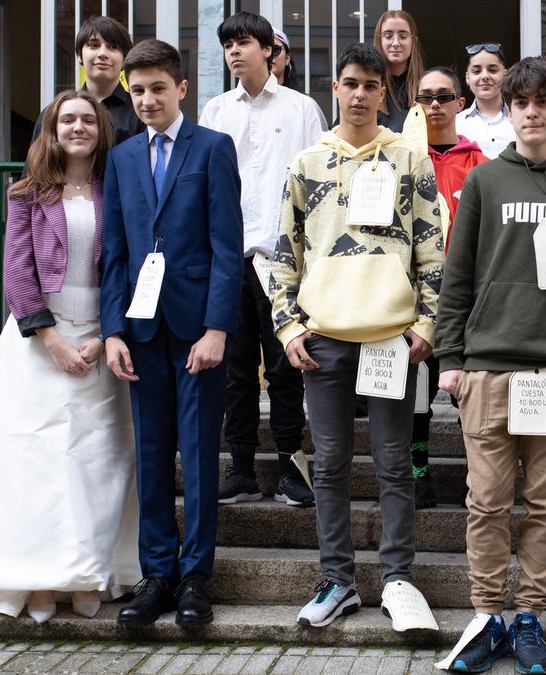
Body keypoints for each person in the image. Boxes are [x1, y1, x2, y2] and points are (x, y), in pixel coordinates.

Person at [434, 57, 546, 675]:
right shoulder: (485, 181)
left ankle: (530, 614)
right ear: (506, 111)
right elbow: (457, 277)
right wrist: (452, 359)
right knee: (485, 502)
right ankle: (487, 616)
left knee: (545, 503)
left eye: (543, 102)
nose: (531, 112)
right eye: (520, 103)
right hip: (487, 370)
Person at [0, 90, 140, 623]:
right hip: (39, 344)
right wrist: (50, 340)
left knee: (98, 462)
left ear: (101, 129)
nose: (78, 127)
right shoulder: (27, 193)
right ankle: (37, 580)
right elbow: (17, 272)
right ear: (51, 130)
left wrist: (106, 333)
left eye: (87, 119)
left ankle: (87, 572)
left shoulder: (114, 190)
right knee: (36, 462)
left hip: (101, 340)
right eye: (67, 119)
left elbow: (125, 266)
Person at [272, 42, 443, 630]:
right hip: (324, 338)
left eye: (372, 84)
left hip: (393, 336)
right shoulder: (305, 163)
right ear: (335, 89)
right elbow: (283, 255)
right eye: (351, 83)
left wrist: (427, 321)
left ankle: (398, 579)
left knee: (396, 464)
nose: (361, 94)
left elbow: (431, 247)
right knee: (330, 465)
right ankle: (338, 581)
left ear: (382, 92)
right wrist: (288, 325)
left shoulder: (410, 159)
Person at [100, 39, 243, 628]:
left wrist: (216, 329)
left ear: (182, 88)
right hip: (140, 328)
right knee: (152, 454)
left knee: (200, 454)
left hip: (194, 330)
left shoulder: (212, 148)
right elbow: (114, 251)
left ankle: (195, 578)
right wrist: (113, 331)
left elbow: (227, 248)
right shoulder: (123, 157)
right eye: (137, 91)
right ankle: (157, 572)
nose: (148, 99)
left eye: (158, 87)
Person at [199, 11, 326, 508]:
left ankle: (293, 466)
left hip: (282, 257)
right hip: (228, 255)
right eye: (228, 43)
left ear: (269, 50)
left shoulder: (301, 109)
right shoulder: (214, 110)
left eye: (244, 42)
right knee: (234, 368)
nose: (234, 51)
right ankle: (243, 468)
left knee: (285, 367)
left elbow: (317, 184)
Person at [410, 66, 489, 509]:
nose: (435, 105)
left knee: (467, 389)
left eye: (444, 96)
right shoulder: (403, 158)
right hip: (412, 297)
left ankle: (477, 475)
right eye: (426, 97)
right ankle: (418, 471)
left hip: (466, 298)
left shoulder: (480, 164)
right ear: (415, 105)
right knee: (417, 386)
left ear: (461, 103)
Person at [31, 16, 144, 146]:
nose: (102, 53)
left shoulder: (140, 113)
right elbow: (37, 164)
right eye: (94, 45)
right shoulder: (53, 114)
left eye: (112, 47)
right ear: (79, 55)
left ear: (125, 58)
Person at [455, 43, 514, 159]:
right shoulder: (455, 124)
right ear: (467, 77)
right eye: (477, 71)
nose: (485, 76)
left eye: (492, 70)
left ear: (505, 74)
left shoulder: (521, 120)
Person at [373, 10, 425, 132]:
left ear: (413, 41)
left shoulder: (426, 89)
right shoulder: (367, 88)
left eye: (403, 36)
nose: (395, 43)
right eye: (388, 36)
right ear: (379, 40)